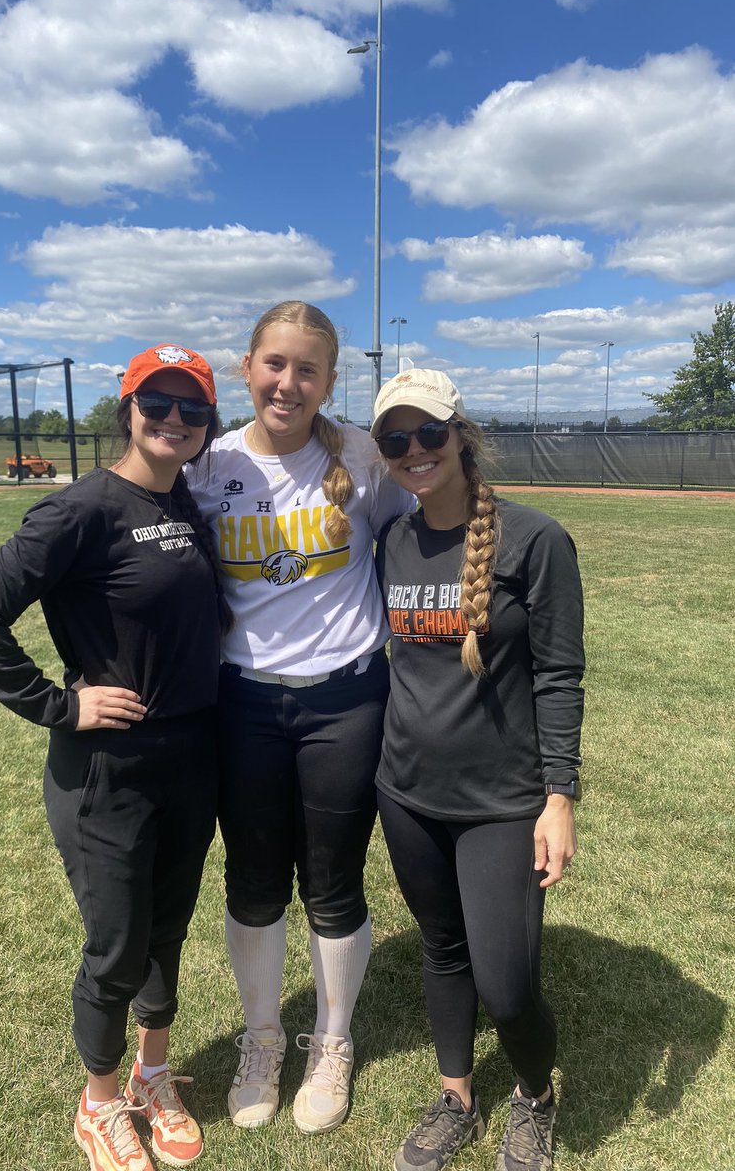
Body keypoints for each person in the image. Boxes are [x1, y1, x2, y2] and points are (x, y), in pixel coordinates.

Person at [0, 344, 230, 1171]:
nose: (174, 420)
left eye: (193, 408)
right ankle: (99, 1104)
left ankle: (152, 1074)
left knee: (168, 929)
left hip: (191, 756)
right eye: (158, 403)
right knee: (117, 943)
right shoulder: (80, 511)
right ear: (127, 407)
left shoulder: (188, 508)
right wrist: (62, 705)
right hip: (109, 771)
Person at [187, 300, 413, 1136]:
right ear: (247, 367)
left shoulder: (362, 454)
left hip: (346, 699)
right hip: (242, 699)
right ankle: (262, 1037)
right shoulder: (208, 466)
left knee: (333, 881)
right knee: (251, 881)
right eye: (275, 364)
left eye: (308, 368)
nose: (289, 382)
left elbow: (422, 534)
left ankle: (332, 1042)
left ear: (329, 378)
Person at [370, 367, 585, 1171]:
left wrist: (558, 796)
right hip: (407, 793)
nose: (415, 451)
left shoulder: (536, 540)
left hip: (502, 802)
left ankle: (534, 1095)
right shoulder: (392, 538)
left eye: (429, 433)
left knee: (507, 984)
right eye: (396, 439)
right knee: (442, 948)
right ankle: (456, 1094)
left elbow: (560, 676)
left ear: (462, 435)